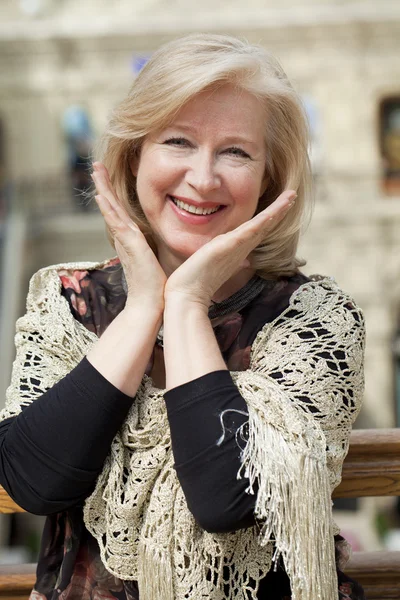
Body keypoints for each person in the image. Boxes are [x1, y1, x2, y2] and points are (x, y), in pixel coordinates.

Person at [0, 34, 366, 600]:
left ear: (270, 180)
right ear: (134, 157)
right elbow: (34, 480)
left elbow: (229, 498)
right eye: (178, 141)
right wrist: (146, 305)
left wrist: (188, 302)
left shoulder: (316, 318)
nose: (203, 178)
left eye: (236, 152)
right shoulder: (67, 299)